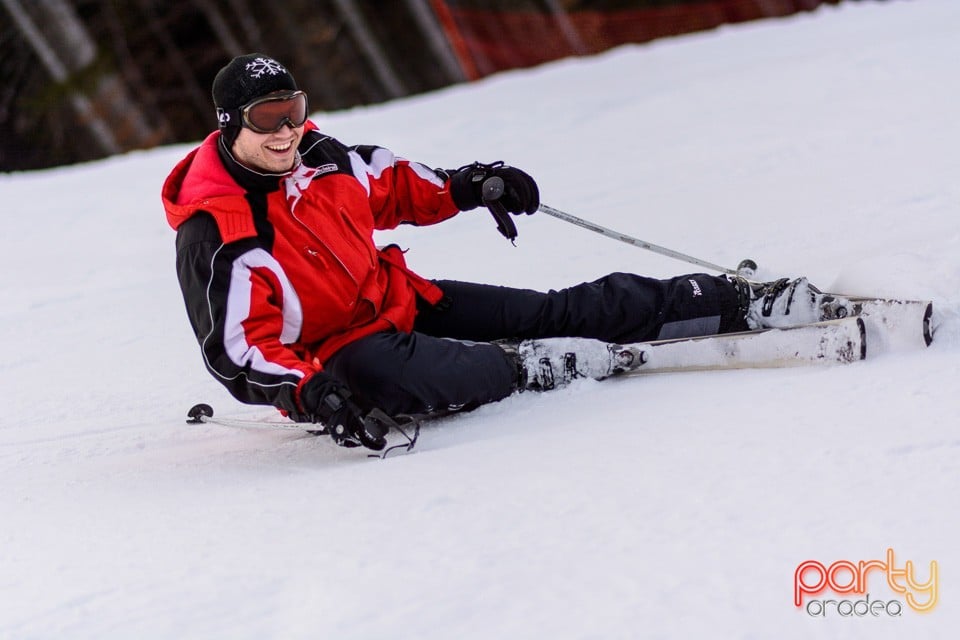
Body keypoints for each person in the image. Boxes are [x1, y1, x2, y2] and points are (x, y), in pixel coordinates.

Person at [163, 54, 848, 451]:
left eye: (294, 109)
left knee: (550, 307)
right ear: (231, 126)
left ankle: (732, 301)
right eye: (267, 120)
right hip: (340, 359)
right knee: (461, 371)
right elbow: (238, 350)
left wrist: (470, 185)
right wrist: (313, 394)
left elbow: (397, 184)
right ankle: (525, 370)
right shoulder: (220, 232)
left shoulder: (320, 155)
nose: (287, 131)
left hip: (402, 302)